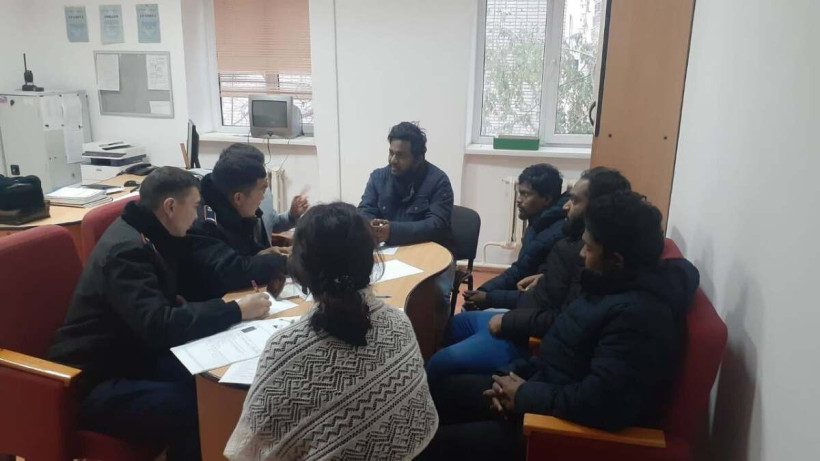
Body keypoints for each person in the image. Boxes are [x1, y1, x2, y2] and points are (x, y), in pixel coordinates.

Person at [421, 191, 700, 461]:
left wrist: (524, 396)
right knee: (439, 392)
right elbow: (559, 351)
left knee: (427, 446)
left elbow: (604, 404)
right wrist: (509, 379)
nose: (581, 254)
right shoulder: (606, 285)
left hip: (550, 432)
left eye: (589, 247)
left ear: (616, 260)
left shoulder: (638, 318)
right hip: (540, 393)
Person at [48, 167, 273, 460]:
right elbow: (159, 324)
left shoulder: (154, 233)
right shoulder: (126, 252)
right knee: (201, 407)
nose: (197, 217)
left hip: (134, 355)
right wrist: (236, 310)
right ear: (170, 207)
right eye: (195, 206)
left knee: (217, 387)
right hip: (95, 380)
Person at [224, 202, 439, 460]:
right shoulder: (399, 323)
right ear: (370, 262)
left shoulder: (284, 349)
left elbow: (249, 450)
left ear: (301, 272)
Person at [425, 167, 631, 384]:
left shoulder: (584, 255)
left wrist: (500, 312)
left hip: (529, 337)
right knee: (455, 325)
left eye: (575, 201)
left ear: (598, 208)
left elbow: (559, 317)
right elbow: (544, 293)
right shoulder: (566, 237)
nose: (566, 206)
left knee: (438, 363)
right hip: (526, 315)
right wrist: (540, 278)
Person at [183, 144, 306, 300]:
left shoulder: (229, 203)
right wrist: (284, 262)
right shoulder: (200, 220)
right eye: (262, 189)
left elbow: (243, 249)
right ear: (238, 198)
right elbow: (231, 271)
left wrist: (260, 254)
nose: (264, 196)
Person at [462, 164, 568, 311]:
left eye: (525, 194)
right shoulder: (539, 223)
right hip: (526, 301)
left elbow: (539, 296)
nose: (518, 200)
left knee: (463, 318)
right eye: (519, 193)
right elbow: (520, 270)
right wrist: (484, 290)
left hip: (538, 310)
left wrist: (489, 298)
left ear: (546, 199)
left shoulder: (557, 233)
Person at [358, 121, 454, 249]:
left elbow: (436, 226)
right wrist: (372, 226)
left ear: (418, 159)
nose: (393, 160)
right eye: (391, 153)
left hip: (427, 251)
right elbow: (364, 211)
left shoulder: (438, 181)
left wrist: (392, 231)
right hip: (387, 252)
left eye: (400, 155)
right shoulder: (378, 178)